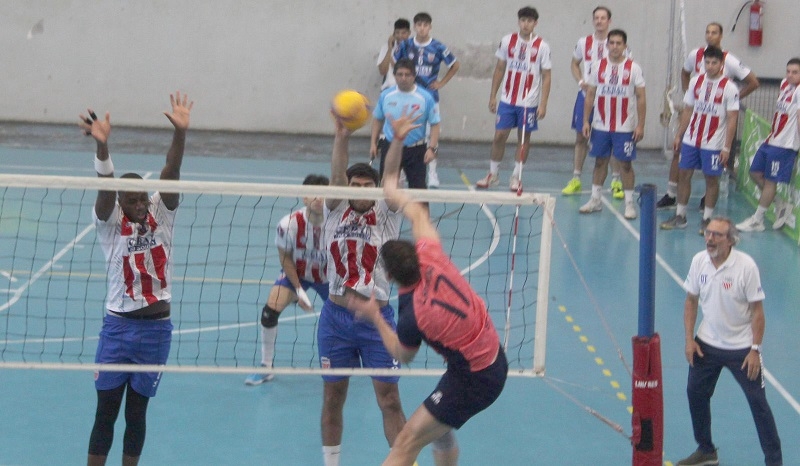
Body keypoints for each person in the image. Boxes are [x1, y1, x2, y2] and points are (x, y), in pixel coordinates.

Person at [347, 109, 507, 466]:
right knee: (441, 429)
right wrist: (398, 149)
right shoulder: (432, 254)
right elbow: (414, 209)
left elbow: (403, 355)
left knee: (405, 443)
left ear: (389, 274)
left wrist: (374, 315)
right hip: (492, 355)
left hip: (475, 379)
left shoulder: (414, 314)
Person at [79, 92, 193, 466]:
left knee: (137, 416)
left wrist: (180, 134)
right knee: (105, 413)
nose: (142, 203)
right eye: (133, 200)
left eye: (143, 198)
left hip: (156, 331)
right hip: (118, 329)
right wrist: (103, 147)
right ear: (120, 204)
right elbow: (105, 188)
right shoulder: (110, 225)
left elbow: (170, 173)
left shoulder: (161, 211)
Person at [318, 112, 407, 466]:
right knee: (333, 397)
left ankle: (404, 462)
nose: (358, 192)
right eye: (352, 186)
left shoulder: (387, 213)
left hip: (377, 321)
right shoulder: (334, 211)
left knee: (389, 400)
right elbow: (337, 174)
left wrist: (396, 141)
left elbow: (390, 175)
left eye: (365, 187)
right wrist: (341, 136)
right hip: (335, 319)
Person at [677, 217, 782, 466]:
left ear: (731, 240)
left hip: (742, 348)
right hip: (707, 343)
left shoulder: (746, 267)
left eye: (717, 235)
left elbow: (758, 312)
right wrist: (689, 340)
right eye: (708, 233)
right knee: (695, 393)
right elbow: (691, 301)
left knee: (758, 403)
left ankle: (775, 462)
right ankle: (706, 450)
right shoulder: (699, 261)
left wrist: (755, 349)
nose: (710, 238)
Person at [658, 22, 760, 210]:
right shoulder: (695, 56)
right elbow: (684, 72)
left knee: (711, 167)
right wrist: (689, 93)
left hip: (716, 122)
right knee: (679, 153)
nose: (710, 35)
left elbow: (753, 81)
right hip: (695, 115)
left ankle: (707, 203)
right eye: (707, 32)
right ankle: (672, 194)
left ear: (721, 36)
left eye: (714, 33)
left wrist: (733, 100)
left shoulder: (730, 60)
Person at [244, 174, 330, 385]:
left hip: (331, 277)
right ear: (303, 198)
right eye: (313, 193)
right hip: (299, 274)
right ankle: (266, 366)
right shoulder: (289, 224)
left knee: (349, 319)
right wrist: (299, 291)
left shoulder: (337, 223)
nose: (319, 198)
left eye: (324, 194)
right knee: (269, 310)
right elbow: (285, 258)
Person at [661, 47, 739, 235]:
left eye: (714, 63)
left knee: (711, 179)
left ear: (721, 64)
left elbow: (732, 119)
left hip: (714, 143)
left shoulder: (729, 88)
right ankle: (680, 216)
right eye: (707, 62)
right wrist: (680, 134)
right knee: (684, 174)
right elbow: (688, 110)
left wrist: (727, 148)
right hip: (691, 139)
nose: (710, 66)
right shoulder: (696, 82)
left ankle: (707, 220)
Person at [475, 6, 552, 192]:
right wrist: (493, 95)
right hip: (508, 100)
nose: (526, 24)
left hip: (529, 102)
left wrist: (543, 103)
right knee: (499, 136)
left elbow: (547, 76)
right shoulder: (507, 41)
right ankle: (493, 174)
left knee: (524, 139)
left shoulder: (542, 46)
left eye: (530, 21)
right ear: (519, 22)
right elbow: (500, 68)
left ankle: (516, 176)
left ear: (535, 23)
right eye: (523, 20)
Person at [577, 29, 646, 220]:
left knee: (625, 164)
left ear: (625, 46)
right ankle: (595, 200)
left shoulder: (634, 68)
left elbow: (641, 97)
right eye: (612, 43)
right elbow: (590, 94)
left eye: (619, 43)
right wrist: (586, 121)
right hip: (600, 125)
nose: (615, 47)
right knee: (600, 162)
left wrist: (640, 125)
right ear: (607, 45)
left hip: (625, 127)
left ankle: (630, 203)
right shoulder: (597, 67)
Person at [562, 6, 626, 199]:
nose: (599, 21)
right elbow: (574, 63)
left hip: (609, 100)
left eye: (603, 18)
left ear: (609, 21)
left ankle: (616, 181)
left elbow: (626, 67)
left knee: (613, 140)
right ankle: (576, 179)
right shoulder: (584, 42)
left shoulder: (617, 43)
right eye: (596, 18)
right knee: (581, 137)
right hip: (586, 97)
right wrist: (581, 81)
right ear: (593, 21)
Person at [394, 12, 460, 188]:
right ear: (414, 27)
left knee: (431, 135)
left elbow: (455, 65)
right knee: (406, 133)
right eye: (419, 25)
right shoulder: (406, 45)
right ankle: (400, 171)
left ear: (430, 27)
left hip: (430, 97)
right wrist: (402, 81)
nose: (422, 28)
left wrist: (441, 83)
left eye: (425, 25)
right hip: (408, 97)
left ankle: (432, 173)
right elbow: (395, 63)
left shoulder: (437, 47)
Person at [736, 58, 800, 232]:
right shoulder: (784, 85)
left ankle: (758, 219)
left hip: (785, 146)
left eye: (795, 72)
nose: (790, 75)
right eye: (788, 71)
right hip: (771, 140)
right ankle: (781, 204)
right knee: (754, 172)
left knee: (771, 181)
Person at [370, 58, 440, 189]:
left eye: (407, 75)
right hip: (390, 146)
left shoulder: (425, 97)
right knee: (386, 188)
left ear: (414, 76)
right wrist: (373, 143)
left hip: (416, 150)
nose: (403, 78)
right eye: (400, 74)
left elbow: (435, 123)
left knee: (418, 191)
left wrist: (432, 148)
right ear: (395, 76)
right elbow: (378, 119)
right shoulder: (386, 95)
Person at [377, 18, 412, 91]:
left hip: (408, 89)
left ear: (409, 33)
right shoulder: (386, 47)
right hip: (389, 88)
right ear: (394, 33)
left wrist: (396, 66)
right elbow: (382, 71)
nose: (400, 36)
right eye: (397, 32)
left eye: (403, 33)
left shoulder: (414, 48)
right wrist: (390, 48)